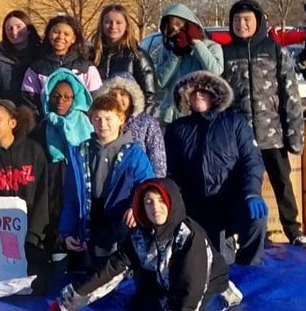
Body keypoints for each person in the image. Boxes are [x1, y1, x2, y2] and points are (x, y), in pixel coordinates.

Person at [51, 179, 239, 311]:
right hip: (164, 286)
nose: (155, 207)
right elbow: (110, 270)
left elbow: (191, 288)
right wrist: (67, 302)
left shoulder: (189, 237)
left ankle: (226, 293)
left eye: (161, 201)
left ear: (172, 203)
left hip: (204, 288)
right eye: (149, 202)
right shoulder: (140, 237)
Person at [220, 0, 306, 250]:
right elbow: (220, 96)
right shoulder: (225, 54)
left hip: (271, 133)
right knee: (238, 185)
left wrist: (295, 134)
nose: (242, 25)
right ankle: (237, 234)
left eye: (247, 20)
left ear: (258, 21)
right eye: (237, 20)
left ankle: (293, 230)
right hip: (239, 136)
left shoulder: (273, 50)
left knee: (281, 181)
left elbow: (290, 94)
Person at [166, 71, 270, 265]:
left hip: (230, 201)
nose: (198, 95)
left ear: (215, 96)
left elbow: (252, 161)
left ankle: (250, 268)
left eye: (203, 91)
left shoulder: (235, 123)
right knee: (214, 265)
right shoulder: (177, 129)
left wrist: (251, 193)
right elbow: (172, 173)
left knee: (257, 218)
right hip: (196, 209)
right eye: (193, 92)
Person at [0, 100, 58, 294]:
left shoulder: (34, 151)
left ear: (12, 123)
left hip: (32, 238)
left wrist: (34, 234)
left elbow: (44, 195)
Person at [60, 95, 155, 267]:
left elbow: (148, 187)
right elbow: (71, 197)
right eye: (97, 119)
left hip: (121, 223)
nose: (102, 124)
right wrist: (67, 232)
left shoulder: (134, 154)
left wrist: (136, 207)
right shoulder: (79, 153)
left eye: (108, 118)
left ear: (121, 119)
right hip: (89, 221)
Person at [153, 4, 223, 123]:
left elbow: (215, 72)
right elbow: (160, 82)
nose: (176, 31)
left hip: (200, 114)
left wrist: (196, 44)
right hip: (172, 116)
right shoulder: (168, 50)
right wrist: (176, 55)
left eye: (179, 26)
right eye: (171, 27)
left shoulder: (211, 47)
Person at [94, 73, 167, 177]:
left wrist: (152, 187)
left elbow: (158, 163)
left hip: (140, 182)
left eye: (123, 94)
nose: (118, 99)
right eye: (113, 95)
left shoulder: (147, 122)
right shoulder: (101, 122)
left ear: (132, 97)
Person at [21, 16, 102, 108]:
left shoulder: (86, 68)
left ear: (73, 39)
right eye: (56, 32)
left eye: (66, 34)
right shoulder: (36, 68)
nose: (60, 37)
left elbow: (96, 99)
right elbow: (30, 103)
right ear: (48, 34)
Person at [90, 5, 155, 114]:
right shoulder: (92, 55)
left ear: (126, 25)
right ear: (101, 24)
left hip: (128, 121)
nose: (113, 26)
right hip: (99, 121)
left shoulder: (137, 56)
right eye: (108, 22)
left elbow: (150, 96)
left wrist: (140, 123)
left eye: (118, 22)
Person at [0, 10, 42, 105]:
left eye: (19, 27)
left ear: (28, 30)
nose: (14, 31)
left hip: (36, 111)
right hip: (6, 111)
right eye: (9, 28)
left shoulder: (41, 54)